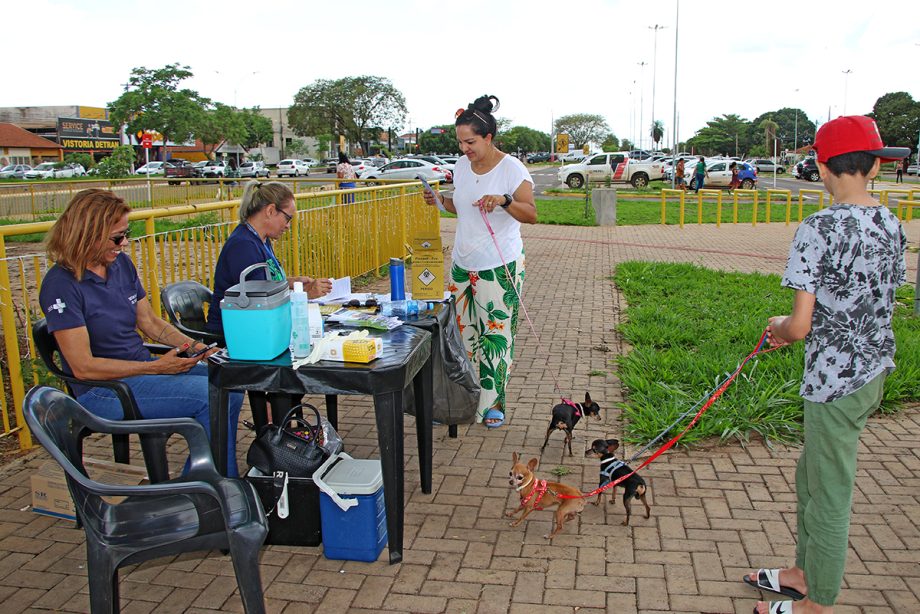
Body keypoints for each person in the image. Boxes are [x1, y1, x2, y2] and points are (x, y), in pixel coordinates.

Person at [748, 116, 909, 614]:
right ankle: (803, 572)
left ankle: (818, 601)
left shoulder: (820, 227)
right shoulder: (890, 221)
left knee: (830, 487)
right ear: (873, 166)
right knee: (812, 477)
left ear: (821, 164)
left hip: (835, 381)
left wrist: (778, 326)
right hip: (872, 368)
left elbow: (798, 326)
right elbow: (865, 301)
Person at [38, 189, 245, 476]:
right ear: (86, 234)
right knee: (211, 397)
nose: (124, 243)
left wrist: (195, 347)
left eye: (127, 233)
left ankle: (207, 475)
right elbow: (83, 367)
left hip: (142, 371)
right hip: (103, 390)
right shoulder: (61, 285)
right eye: (116, 237)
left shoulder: (119, 264)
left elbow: (150, 322)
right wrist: (158, 368)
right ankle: (215, 483)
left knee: (230, 383)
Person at [421, 94, 537, 428]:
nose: (464, 149)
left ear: (488, 137)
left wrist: (504, 200)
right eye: (460, 142)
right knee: (463, 333)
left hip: (499, 266)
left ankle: (493, 403)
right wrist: (440, 201)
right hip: (462, 262)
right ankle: (470, 397)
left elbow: (530, 214)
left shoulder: (511, 168)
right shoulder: (461, 166)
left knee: (495, 335)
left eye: (470, 141)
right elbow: (463, 204)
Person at [208, 181, 332, 336]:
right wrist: (304, 294)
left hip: (255, 327)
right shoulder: (244, 246)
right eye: (287, 218)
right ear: (271, 210)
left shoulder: (261, 239)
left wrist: (292, 282)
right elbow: (258, 302)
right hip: (234, 335)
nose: (288, 226)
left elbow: (263, 284)